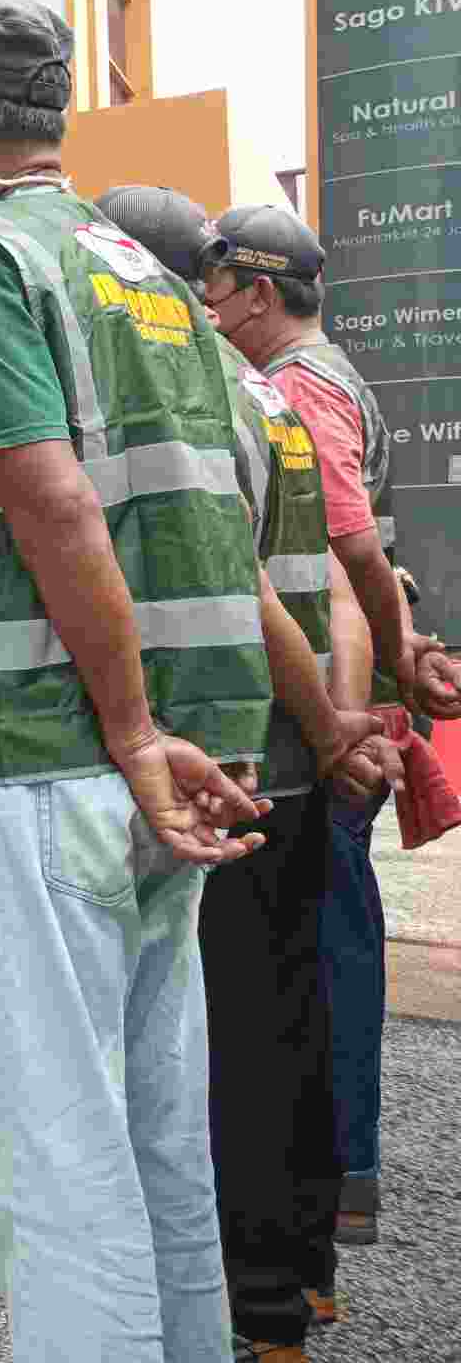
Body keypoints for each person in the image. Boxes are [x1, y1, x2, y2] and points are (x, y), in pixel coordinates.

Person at [0, 0, 274, 1360]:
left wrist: (136, 733)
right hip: (156, 773)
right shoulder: (143, 276)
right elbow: (220, 509)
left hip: (46, 756)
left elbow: (55, 504)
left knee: (52, 1153)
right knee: (157, 1132)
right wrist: (172, 739)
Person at [99, 184, 400, 1357]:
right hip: (285, 762)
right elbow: (340, 570)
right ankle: (295, 1279)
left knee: (226, 1053)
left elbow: (254, 584)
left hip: (234, 770)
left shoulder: (203, 392)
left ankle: (253, 1302)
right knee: (290, 1021)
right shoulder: (277, 400)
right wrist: (339, 723)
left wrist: (330, 731)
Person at [199, 203, 461, 1248]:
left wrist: (337, 729)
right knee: (321, 942)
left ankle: (325, 1178)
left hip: (312, 719)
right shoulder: (336, 376)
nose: (207, 314)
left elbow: (338, 568)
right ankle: (324, 1179)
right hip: (326, 705)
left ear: (260, 295)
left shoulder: (298, 388)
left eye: (215, 295)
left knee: (313, 950)